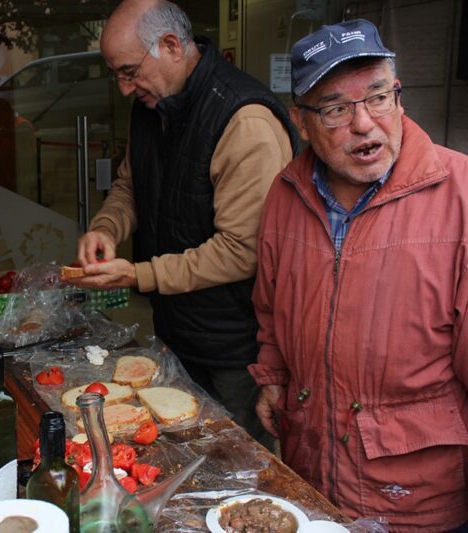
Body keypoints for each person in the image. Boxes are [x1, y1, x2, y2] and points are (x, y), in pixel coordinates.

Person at [250, 19, 468, 531]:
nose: (365, 124)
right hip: (311, 476)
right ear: (301, 123)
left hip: (418, 499)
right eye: (335, 109)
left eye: (378, 98)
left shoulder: (461, 196)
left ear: (399, 98)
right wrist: (274, 378)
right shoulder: (286, 193)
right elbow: (270, 307)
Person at [68, 0, 297, 447]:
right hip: (177, 334)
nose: (124, 89)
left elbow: (242, 249)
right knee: (179, 458)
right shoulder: (152, 107)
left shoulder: (243, 120)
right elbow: (130, 187)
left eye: (129, 71)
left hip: (237, 349)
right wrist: (106, 228)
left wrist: (140, 275)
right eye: (117, 73)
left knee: (235, 473)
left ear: (171, 45)